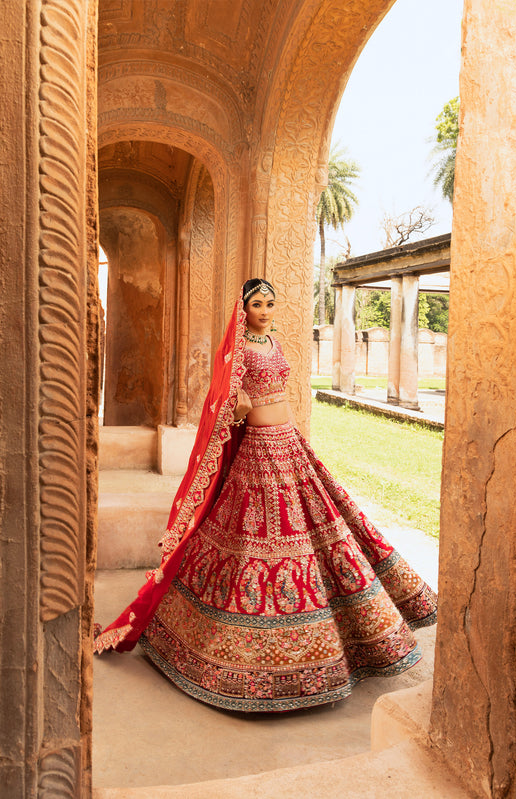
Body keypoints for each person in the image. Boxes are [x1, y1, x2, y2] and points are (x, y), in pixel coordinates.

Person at [94, 278, 437, 712]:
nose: (265, 310)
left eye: (270, 303)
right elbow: (222, 401)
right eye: (257, 304)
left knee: (323, 532)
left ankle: (350, 643)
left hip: (290, 443)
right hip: (259, 451)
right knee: (256, 545)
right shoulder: (236, 351)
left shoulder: (273, 341)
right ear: (243, 307)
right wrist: (234, 398)